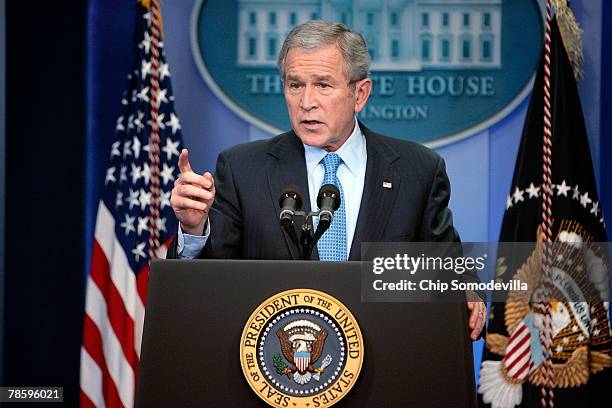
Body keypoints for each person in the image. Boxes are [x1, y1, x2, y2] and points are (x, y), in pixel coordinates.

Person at [168, 21, 486, 340]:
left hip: (385, 368)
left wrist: (468, 292)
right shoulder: (243, 168)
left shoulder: (416, 170)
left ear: (359, 94)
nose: (307, 102)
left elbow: (446, 265)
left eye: (323, 85)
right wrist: (195, 228)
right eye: (295, 85)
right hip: (277, 366)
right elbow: (211, 280)